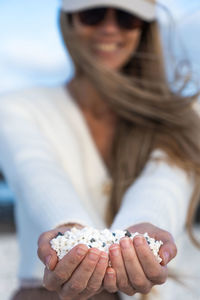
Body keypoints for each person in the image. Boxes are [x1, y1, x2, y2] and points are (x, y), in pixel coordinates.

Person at [0, 0, 200, 299]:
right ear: (69, 22)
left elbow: (166, 181)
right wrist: (68, 227)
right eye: (92, 14)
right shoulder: (16, 108)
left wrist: (143, 227)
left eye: (126, 18)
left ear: (144, 28)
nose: (108, 29)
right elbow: (35, 172)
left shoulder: (184, 114)